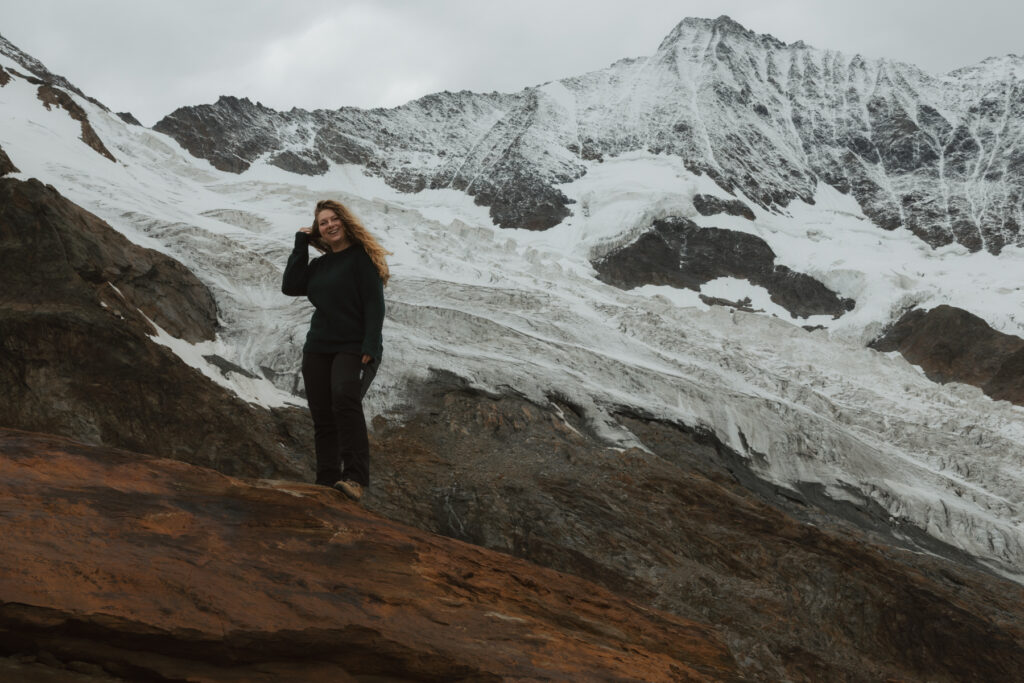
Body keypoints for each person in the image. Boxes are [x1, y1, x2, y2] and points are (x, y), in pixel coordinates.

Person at [281, 199, 389, 502]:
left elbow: (374, 303)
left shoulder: (362, 259)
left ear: (344, 221)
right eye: (323, 222)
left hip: (354, 345)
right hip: (318, 347)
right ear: (319, 230)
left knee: (345, 399)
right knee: (322, 414)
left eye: (333, 219)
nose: (330, 225)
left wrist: (370, 343)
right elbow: (290, 285)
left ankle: (354, 478)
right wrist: (300, 242)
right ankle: (326, 480)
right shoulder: (320, 265)